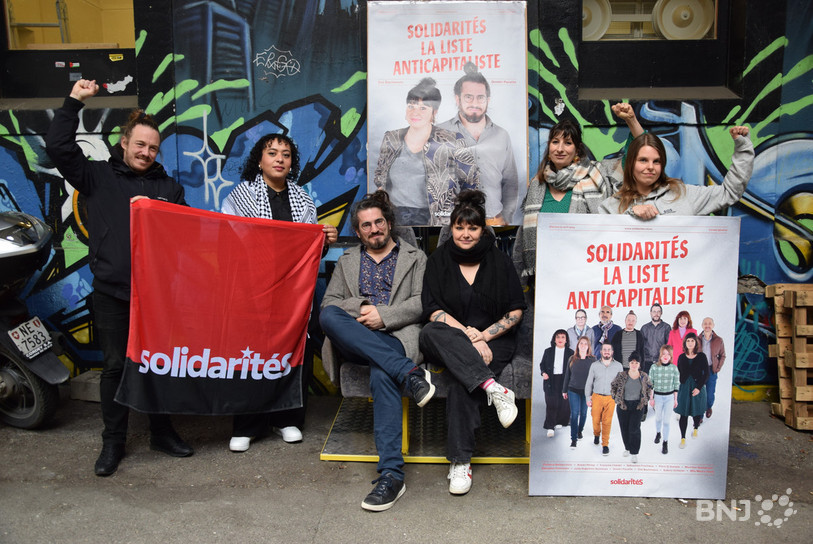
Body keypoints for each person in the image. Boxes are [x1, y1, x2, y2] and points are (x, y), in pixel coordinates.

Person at [45, 79, 193, 476]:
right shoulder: (96, 177)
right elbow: (59, 147)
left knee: (157, 365)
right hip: (112, 293)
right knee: (114, 367)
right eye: (140, 145)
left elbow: (187, 238)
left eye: (153, 148)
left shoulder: (169, 188)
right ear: (124, 143)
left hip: (156, 297)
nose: (146, 153)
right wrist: (74, 100)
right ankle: (113, 443)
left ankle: (162, 432)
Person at [221, 133, 338, 452]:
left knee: (290, 351)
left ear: (291, 163)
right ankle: (247, 425)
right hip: (252, 291)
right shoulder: (239, 197)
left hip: (291, 292)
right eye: (272, 153)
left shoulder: (303, 200)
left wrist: (323, 239)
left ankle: (288, 420)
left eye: (286, 154)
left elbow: (308, 252)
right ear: (259, 160)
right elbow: (231, 242)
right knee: (250, 355)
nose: (279, 159)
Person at [319, 190, 433, 512]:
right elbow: (330, 304)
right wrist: (363, 307)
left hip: (397, 338)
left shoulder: (415, 257)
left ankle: (392, 475)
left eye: (378, 222)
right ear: (358, 232)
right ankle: (410, 374)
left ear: (389, 223)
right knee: (328, 316)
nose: (374, 229)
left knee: (383, 370)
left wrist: (385, 315)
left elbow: (422, 303)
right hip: (356, 340)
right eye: (366, 225)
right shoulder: (347, 261)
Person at [419, 190, 525, 495]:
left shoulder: (499, 261)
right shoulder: (438, 260)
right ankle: (496, 390)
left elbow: (516, 310)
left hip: (495, 339)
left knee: (461, 381)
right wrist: (468, 337)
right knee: (428, 333)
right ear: (451, 228)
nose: (465, 234)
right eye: (459, 227)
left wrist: (485, 335)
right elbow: (432, 310)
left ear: (482, 230)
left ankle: (460, 462)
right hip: (451, 339)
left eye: (473, 228)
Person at [514, 103, 643, 282]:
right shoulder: (537, 184)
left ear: (577, 149)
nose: (560, 149)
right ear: (549, 147)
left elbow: (635, 154)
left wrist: (631, 120)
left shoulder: (597, 174)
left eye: (568, 143)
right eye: (555, 142)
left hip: (586, 275)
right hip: (545, 279)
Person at [373, 77, 479, 226]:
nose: (415, 112)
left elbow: (471, 183)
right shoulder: (392, 138)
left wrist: (462, 215)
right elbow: (380, 177)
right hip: (394, 218)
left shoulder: (452, 140)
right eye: (411, 106)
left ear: (434, 112)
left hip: (437, 220)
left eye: (423, 108)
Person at [598, 127, 754, 218]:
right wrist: (630, 216)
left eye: (657, 161)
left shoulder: (685, 195)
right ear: (631, 164)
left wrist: (743, 148)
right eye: (643, 160)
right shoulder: (610, 207)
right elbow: (597, 250)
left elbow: (729, 192)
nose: (651, 166)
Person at [437, 62, 518, 225]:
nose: (475, 103)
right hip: (456, 224)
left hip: (494, 221)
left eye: (480, 97)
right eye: (468, 97)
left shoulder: (502, 135)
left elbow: (511, 182)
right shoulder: (439, 133)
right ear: (457, 99)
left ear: (487, 100)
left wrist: (506, 218)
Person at [610, 351, 653, 464]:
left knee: (634, 429)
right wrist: (616, 398)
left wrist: (646, 399)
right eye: (632, 362)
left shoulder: (644, 376)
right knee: (624, 428)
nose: (634, 364)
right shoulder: (621, 375)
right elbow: (613, 386)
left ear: (639, 364)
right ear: (629, 363)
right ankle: (627, 448)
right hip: (623, 405)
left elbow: (650, 387)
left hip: (638, 406)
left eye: (636, 362)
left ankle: (634, 452)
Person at [584, 342, 623, 456]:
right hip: (596, 397)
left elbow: (621, 384)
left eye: (609, 350)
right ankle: (596, 434)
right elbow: (589, 382)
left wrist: (618, 397)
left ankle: (605, 444)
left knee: (607, 421)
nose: (606, 352)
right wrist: (588, 397)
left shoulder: (618, 366)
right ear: (600, 352)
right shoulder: (594, 365)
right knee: (595, 420)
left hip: (611, 398)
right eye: (604, 349)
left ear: (612, 352)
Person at [675, 332, 709, 449]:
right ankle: (683, 438)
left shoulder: (701, 356)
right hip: (685, 387)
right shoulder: (681, 357)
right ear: (685, 343)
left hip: (697, 387)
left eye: (692, 341)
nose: (690, 343)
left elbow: (706, 374)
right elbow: (679, 372)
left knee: (697, 411)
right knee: (683, 413)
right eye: (688, 341)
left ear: (696, 343)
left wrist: (699, 388)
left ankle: (695, 428)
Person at [562, 336, 596, 449]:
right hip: (573, 390)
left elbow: (595, 378)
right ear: (578, 345)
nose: (583, 345)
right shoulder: (572, 359)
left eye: (585, 343)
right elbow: (567, 375)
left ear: (588, 346)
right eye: (581, 343)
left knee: (584, 414)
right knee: (574, 414)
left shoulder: (592, 360)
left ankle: (579, 430)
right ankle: (573, 439)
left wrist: (592, 393)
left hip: (586, 393)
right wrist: (564, 390)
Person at [540, 329, 573, 438]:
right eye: (558, 337)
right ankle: (550, 427)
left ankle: (560, 421)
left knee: (564, 402)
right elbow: (542, 364)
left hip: (565, 380)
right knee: (551, 403)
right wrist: (543, 373)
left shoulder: (571, 353)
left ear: (566, 340)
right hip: (551, 379)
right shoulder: (548, 351)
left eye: (563, 337)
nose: (560, 339)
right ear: (554, 339)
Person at [649, 345, 679, 454]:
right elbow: (651, 383)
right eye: (663, 354)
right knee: (658, 418)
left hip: (669, 397)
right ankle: (658, 433)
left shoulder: (674, 368)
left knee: (666, 421)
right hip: (658, 397)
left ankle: (665, 442)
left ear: (671, 356)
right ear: (660, 356)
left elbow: (676, 384)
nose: (666, 356)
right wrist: (651, 398)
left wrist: (675, 399)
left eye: (668, 354)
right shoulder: (654, 367)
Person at [699, 317, 726, 419]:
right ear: (702, 325)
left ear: (713, 325)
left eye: (709, 323)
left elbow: (722, 355)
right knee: (700, 394)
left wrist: (717, 368)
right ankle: (699, 416)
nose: (707, 325)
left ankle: (709, 407)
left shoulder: (718, 340)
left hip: (711, 370)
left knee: (710, 394)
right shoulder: (697, 340)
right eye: (705, 323)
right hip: (700, 371)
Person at [641, 303, 671, 375]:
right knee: (647, 385)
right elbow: (640, 346)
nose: (656, 314)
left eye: (658, 311)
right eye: (654, 311)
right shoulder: (644, 328)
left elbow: (668, 346)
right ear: (651, 313)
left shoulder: (666, 327)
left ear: (661, 313)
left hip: (661, 361)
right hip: (647, 362)